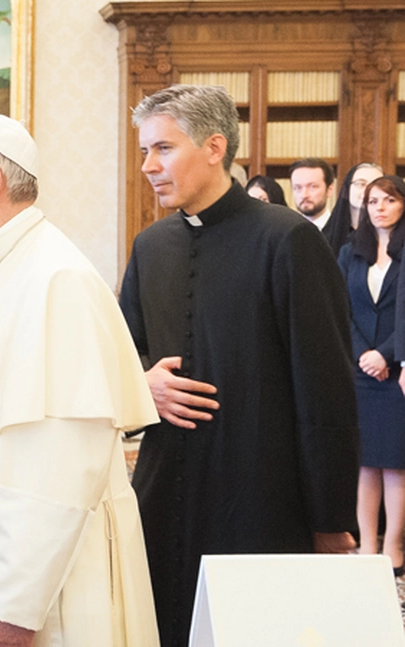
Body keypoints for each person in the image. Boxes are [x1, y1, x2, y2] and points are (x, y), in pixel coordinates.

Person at [0, 113, 161, 647]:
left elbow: (57, 467)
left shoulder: (54, 280)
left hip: (30, 592)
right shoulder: (0, 267)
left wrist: (13, 610)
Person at [121, 84, 359, 647]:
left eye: (162, 149)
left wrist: (330, 519)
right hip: (163, 494)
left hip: (259, 496)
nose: (148, 167)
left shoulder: (289, 239)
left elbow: (325, 389)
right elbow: (124, 352)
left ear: (213, 146)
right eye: (143, 152)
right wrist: (141, 385)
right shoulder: (150, 245)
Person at [341, 175, 405, 575]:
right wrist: (363, 353)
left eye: (389, 200)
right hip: (359, 369)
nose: (380, 207)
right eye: (373, 201)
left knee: (396, 464)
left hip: (397, 370)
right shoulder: (351, 252)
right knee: (365, 463)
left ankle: (394, 546)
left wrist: (385, 354)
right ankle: (368, 544)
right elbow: (338, 308)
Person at [325, 162, 383, 257]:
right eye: (360, 184)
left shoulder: (391, 238)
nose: (367, 190)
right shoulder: (327, 237)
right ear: (347, 189)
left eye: (376, 184)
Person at [289, 157, 336, 232]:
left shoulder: (340, 231)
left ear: (329, 190)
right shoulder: (286, 230)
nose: (304, 195)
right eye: (298, 188)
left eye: (313, 187)